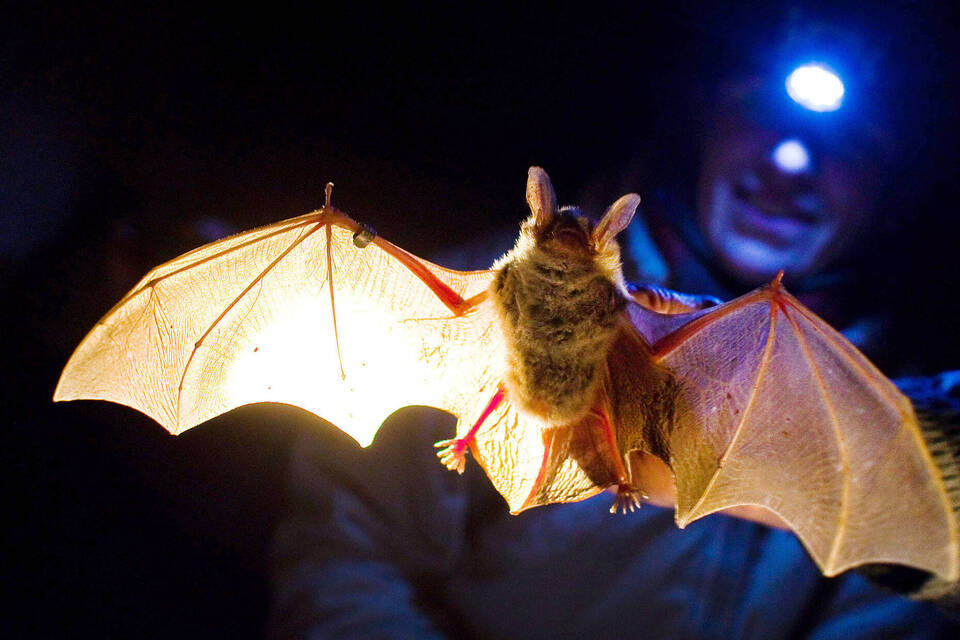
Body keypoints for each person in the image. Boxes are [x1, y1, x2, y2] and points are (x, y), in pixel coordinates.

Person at [267, 15, 960, 640]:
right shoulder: (502, 297)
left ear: (889, 184)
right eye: (760, 112)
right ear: (708, 121)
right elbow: (343, 556)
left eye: (849, 144)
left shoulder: (887, 386)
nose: (790, 161)